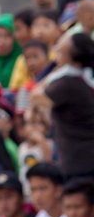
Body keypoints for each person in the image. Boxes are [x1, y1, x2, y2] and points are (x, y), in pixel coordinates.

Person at [35, 33, 94, 179]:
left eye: (61, 51)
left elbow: (37, 97)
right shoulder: (82, 81)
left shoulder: (67, 83)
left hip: (79, 161)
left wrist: (54, 71)